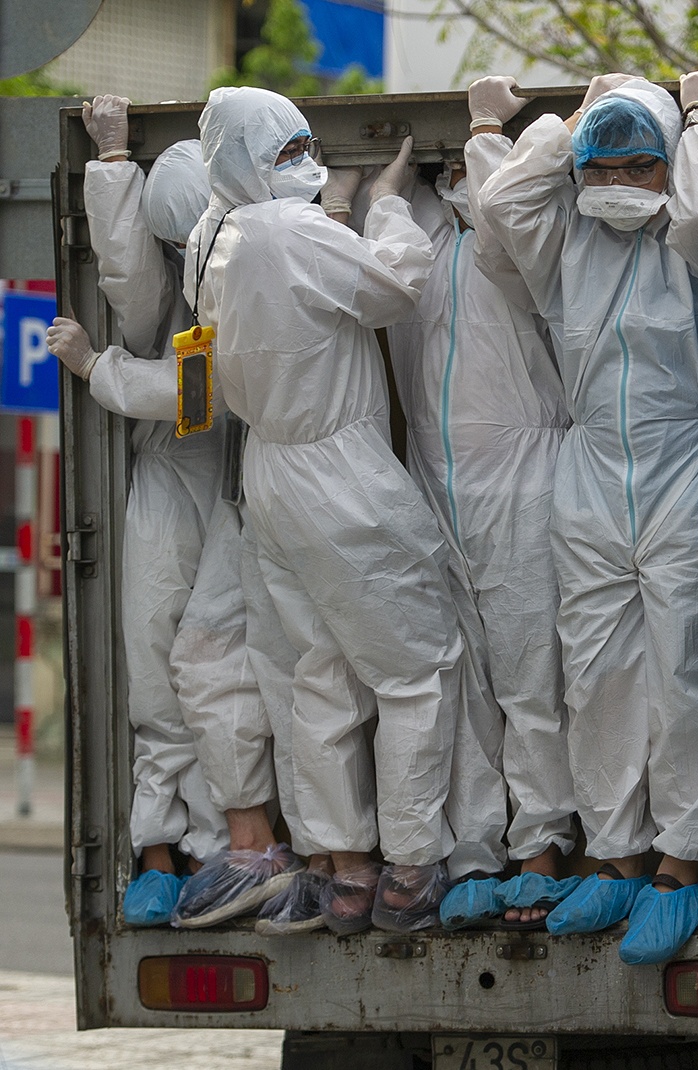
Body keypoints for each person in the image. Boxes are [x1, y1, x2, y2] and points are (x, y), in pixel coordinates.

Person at [475, 70, 698, 962]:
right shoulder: (563, 249)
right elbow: (505, 198)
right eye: (608, 167)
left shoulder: (692, 245)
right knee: (593, 671)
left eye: (643, 166)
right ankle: (616, 854)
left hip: (684, 464)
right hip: (589, 470)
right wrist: (568, 124)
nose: (624, 185)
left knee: (684, 667)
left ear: (669, 168)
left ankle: (680, 862)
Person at [186, 85, 463, 934]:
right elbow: (392, 290)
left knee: (321, 675)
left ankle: (345, 870)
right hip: (339, 474)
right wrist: (383, 207)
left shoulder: (211, 235)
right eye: (287, 151)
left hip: (268, 471)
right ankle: (411, 870)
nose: (305, 164)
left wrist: (334, 208)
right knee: (418, 667)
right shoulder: (291, 230)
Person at [47, 100, 297, 927]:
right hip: (174, 478)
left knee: (217, 664)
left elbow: (202, 394)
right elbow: (127, 278)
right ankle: (163, 847)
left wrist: (99, 371)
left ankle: (219, 843)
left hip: (237, 480)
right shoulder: (184, 279)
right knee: (156, 661)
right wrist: (114, 165)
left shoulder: (257, 268)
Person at [383, 133, 574, 928]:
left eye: (473, 170)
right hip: (435, 486)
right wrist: (383, 194)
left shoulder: (518, 254)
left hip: (521, 482)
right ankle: (473, 856)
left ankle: (540, 849)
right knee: (462, 684)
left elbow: (508, 223)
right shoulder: (419, 251)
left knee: (531, 677)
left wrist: (487, 139)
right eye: (452, 170)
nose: (462, 183)